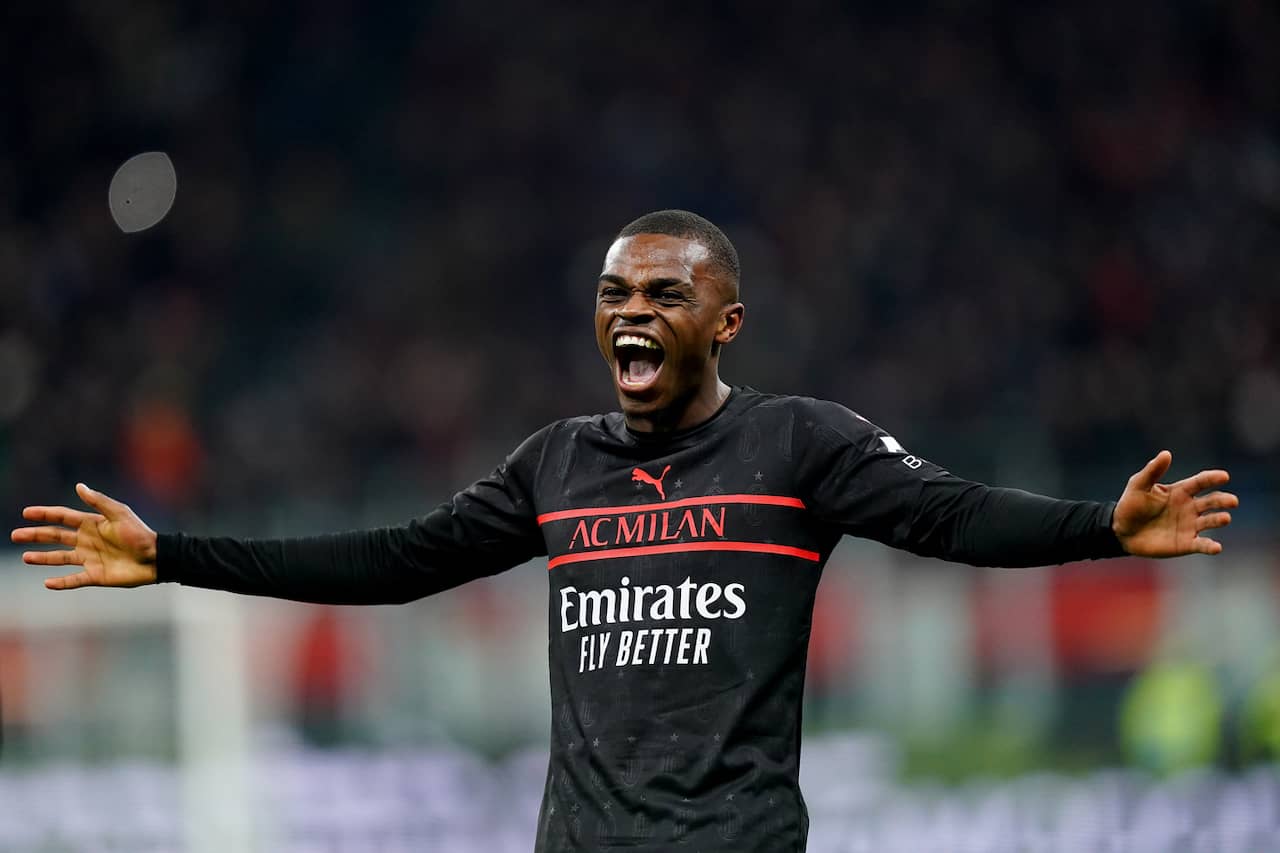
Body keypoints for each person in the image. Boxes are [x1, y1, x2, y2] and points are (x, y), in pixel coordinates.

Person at [10, 210, 1238, 852]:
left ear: (726, 322)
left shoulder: (797, 444)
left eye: (663, 292)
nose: (631, 311)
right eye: (613, 294)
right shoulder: (556, 463)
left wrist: (1100, 527)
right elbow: (394, 561)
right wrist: (169, 555)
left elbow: (949, 513)